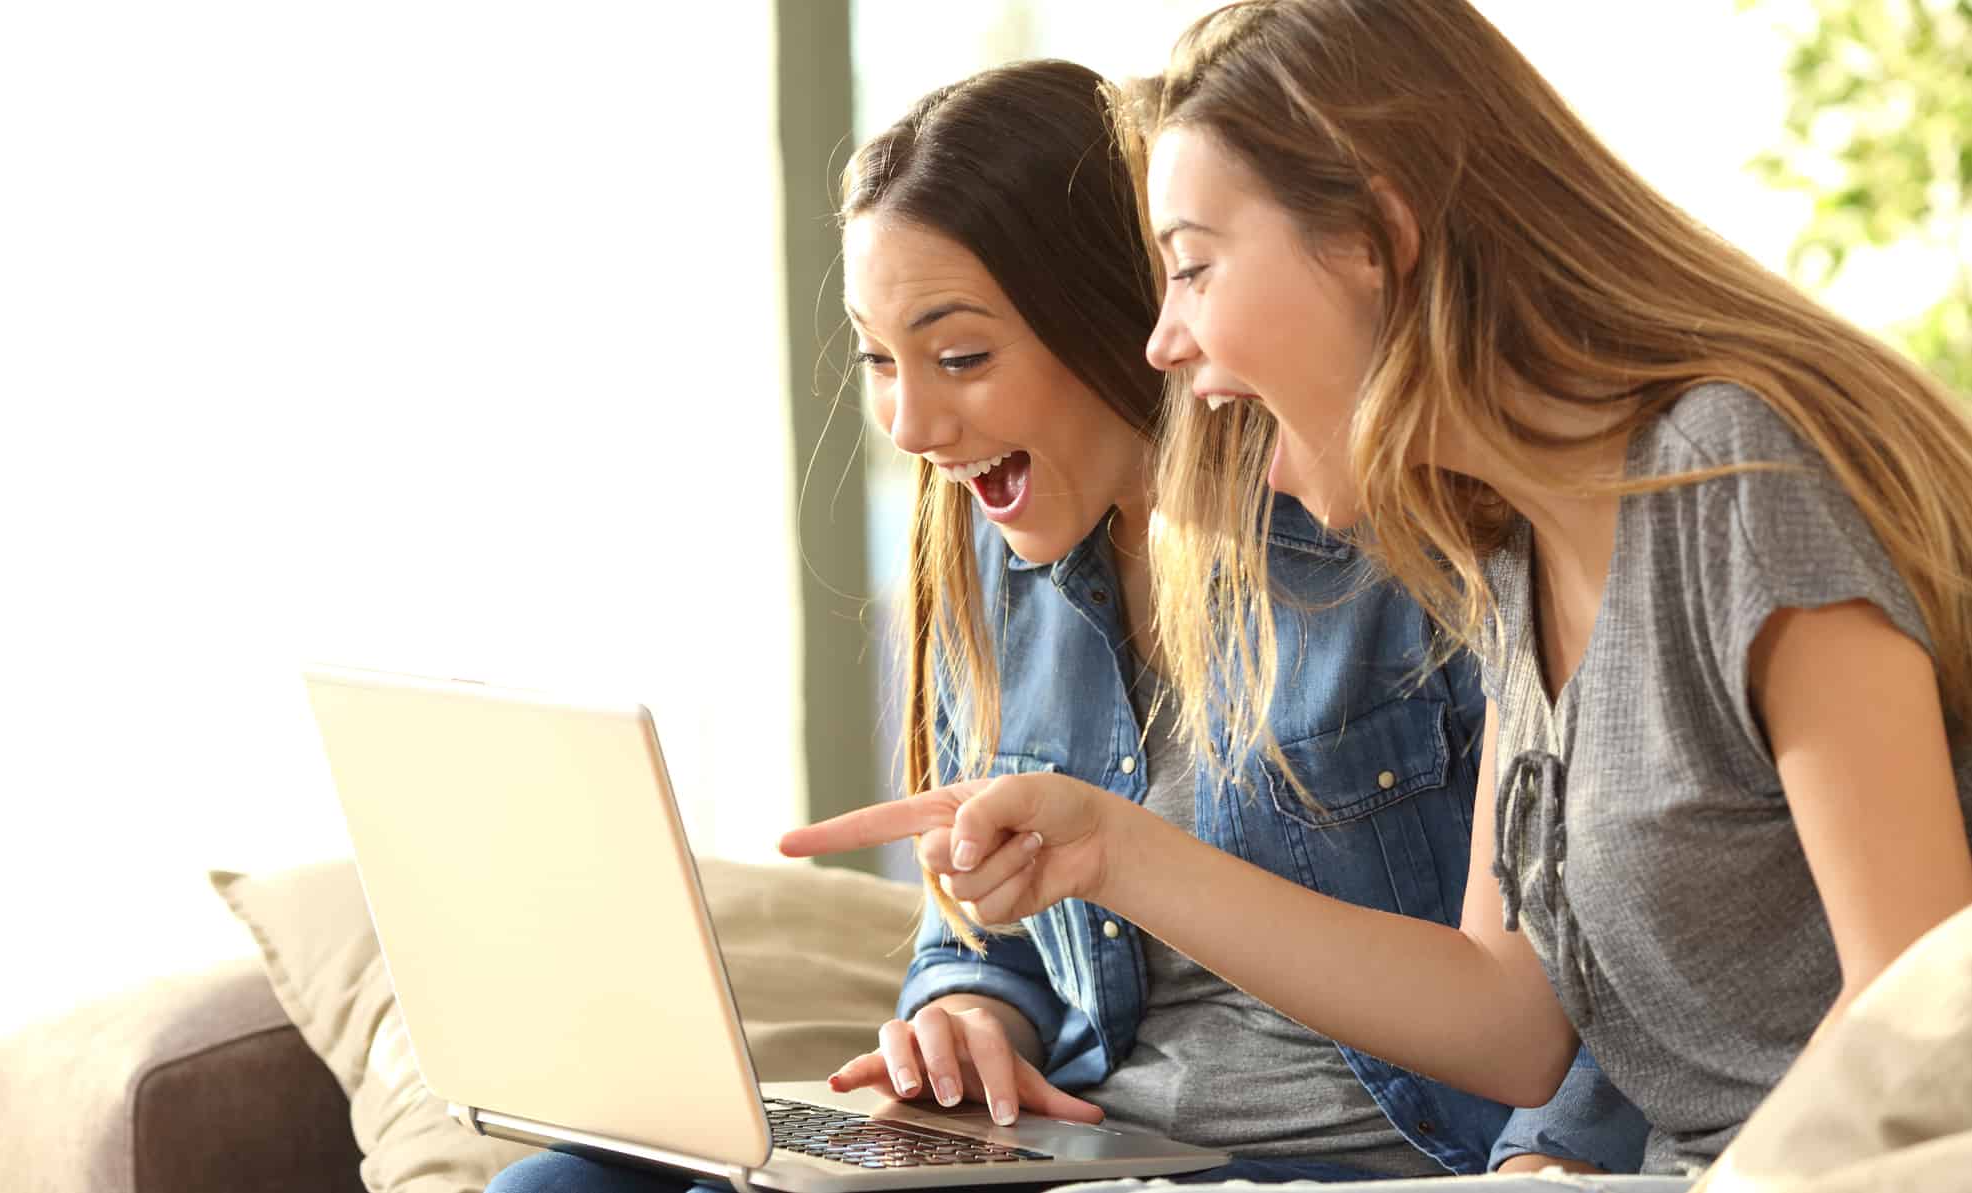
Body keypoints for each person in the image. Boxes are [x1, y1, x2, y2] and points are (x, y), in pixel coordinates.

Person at [782, 1, 1972, 1179]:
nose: (1164, 341)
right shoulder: (1515, 546)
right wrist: (1106, 852)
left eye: (1192, 268)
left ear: (1371, 240)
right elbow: (1512, 1021)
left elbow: (1917, 1022)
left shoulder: (1735, 478)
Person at [491, 58, 1641, 1193]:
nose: (909, 421)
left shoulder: (1398, 537)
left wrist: (1551, 1161)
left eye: (961, 357)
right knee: (562, 1185)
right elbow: (987, 921)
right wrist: (969, 1009)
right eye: (878, 358)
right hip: (1089, 1138)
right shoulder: (1001, 555)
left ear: (1118, 309)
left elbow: (1593, 941)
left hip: (1348, 1155)